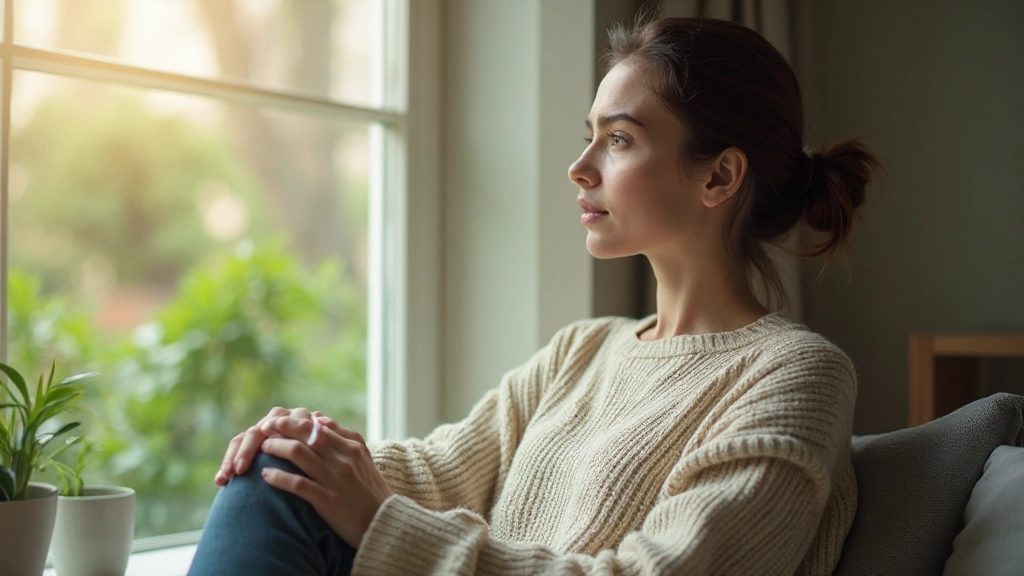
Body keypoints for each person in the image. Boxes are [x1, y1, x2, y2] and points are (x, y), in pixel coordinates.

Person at [189, 16, 879, 576]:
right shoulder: (585, 348)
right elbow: (440, 473)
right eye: (590, 138)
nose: (580, 169)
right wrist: (312, 446)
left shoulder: (797, 373)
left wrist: (377, 520)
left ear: (720, 176)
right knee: (278, 471)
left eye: (619, 139)